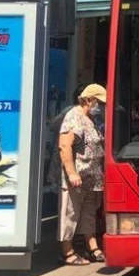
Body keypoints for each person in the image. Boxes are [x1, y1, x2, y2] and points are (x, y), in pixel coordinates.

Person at [57, 83, 107, 265]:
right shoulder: (74, 117)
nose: (101, 106)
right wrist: (72, 173)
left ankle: (92, 246)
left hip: (91, 177)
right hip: (77, 177)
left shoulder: (90, 119)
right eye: (99, 102)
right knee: (70, 212)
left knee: (88, 213)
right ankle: (67, 251)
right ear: (89, 100)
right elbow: (64, 145)